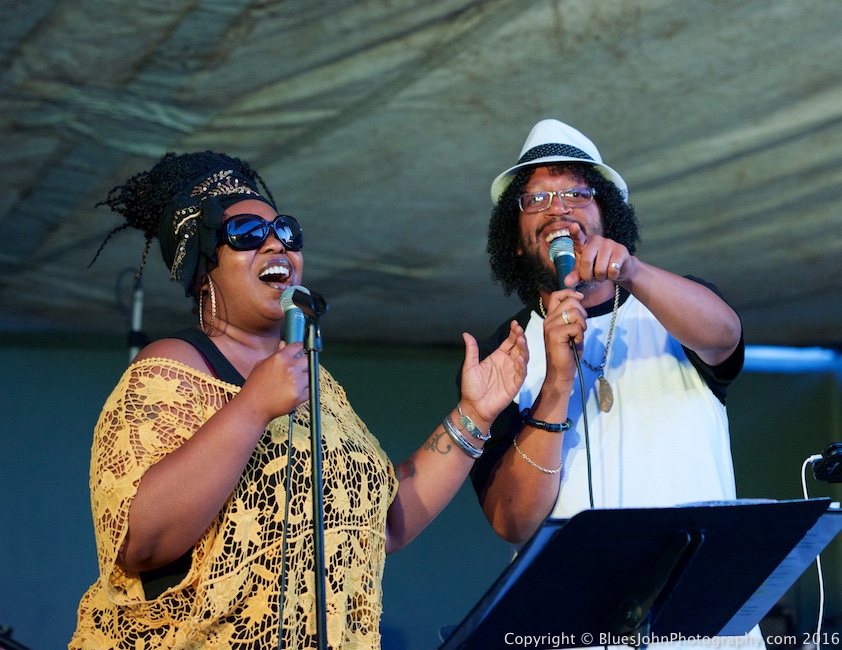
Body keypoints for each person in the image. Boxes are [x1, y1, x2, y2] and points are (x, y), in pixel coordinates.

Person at [69, 151, 527, 649]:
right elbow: (140, 542)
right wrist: (252, 408)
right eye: (245, 233)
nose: (275, 245)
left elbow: (386, 526)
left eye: (287, 232)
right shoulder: (176, 364)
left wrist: (475, 414)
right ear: (203, 271)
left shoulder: (317, 384)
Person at [469, 120, 765, 647]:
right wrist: (557, 386)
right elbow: (512, 522)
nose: (557, 208)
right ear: (513, 241)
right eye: (535, 199)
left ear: (607, 216)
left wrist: (632, 272)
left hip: (702, 633)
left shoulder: (670, 308)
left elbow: (726, 338)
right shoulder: (504, 352)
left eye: (576, 193)